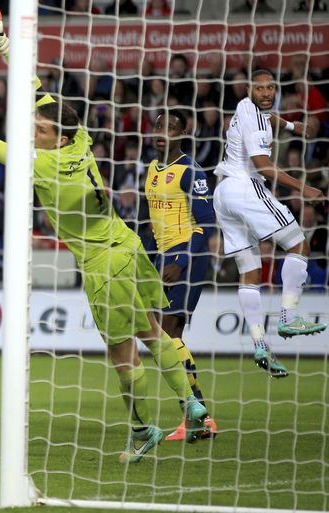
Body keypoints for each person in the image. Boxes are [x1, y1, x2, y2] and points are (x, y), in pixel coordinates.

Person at [0, 8, 208, 461]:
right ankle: (190, 403)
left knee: (121, 351)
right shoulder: (83, 139)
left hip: (101, 262)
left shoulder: (44, 163)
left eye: (41, 130)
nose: (33, 130)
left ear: (58, 137)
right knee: (153, 331)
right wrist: (7, 45)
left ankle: (143, 428)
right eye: (34, 125)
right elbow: (37, 90)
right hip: (127, 245)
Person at [213, 69, 326, 378]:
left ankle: (260, 344)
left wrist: (292, 125)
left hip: (221, 193)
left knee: (249, 270)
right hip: (244, 186)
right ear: (250, 88)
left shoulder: (245, 107)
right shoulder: (256, 121)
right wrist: (304, 188)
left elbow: (271, 119)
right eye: (259, 87)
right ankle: (289, 318)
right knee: (298, 243)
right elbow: (264, 166)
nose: (266, 92)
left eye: (270, 87)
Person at [145, 111, 218, 441]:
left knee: (167, 333)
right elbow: (151, 224)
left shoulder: (191, 170)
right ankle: (197, 417)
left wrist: (181, 261)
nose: (163, 132)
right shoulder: (151, 171)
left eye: (170, 128)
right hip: (163, 258)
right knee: (167, 338)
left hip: (187, 257)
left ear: (183, 134)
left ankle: (197, 415)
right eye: (159, 126)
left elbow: (206, 221)